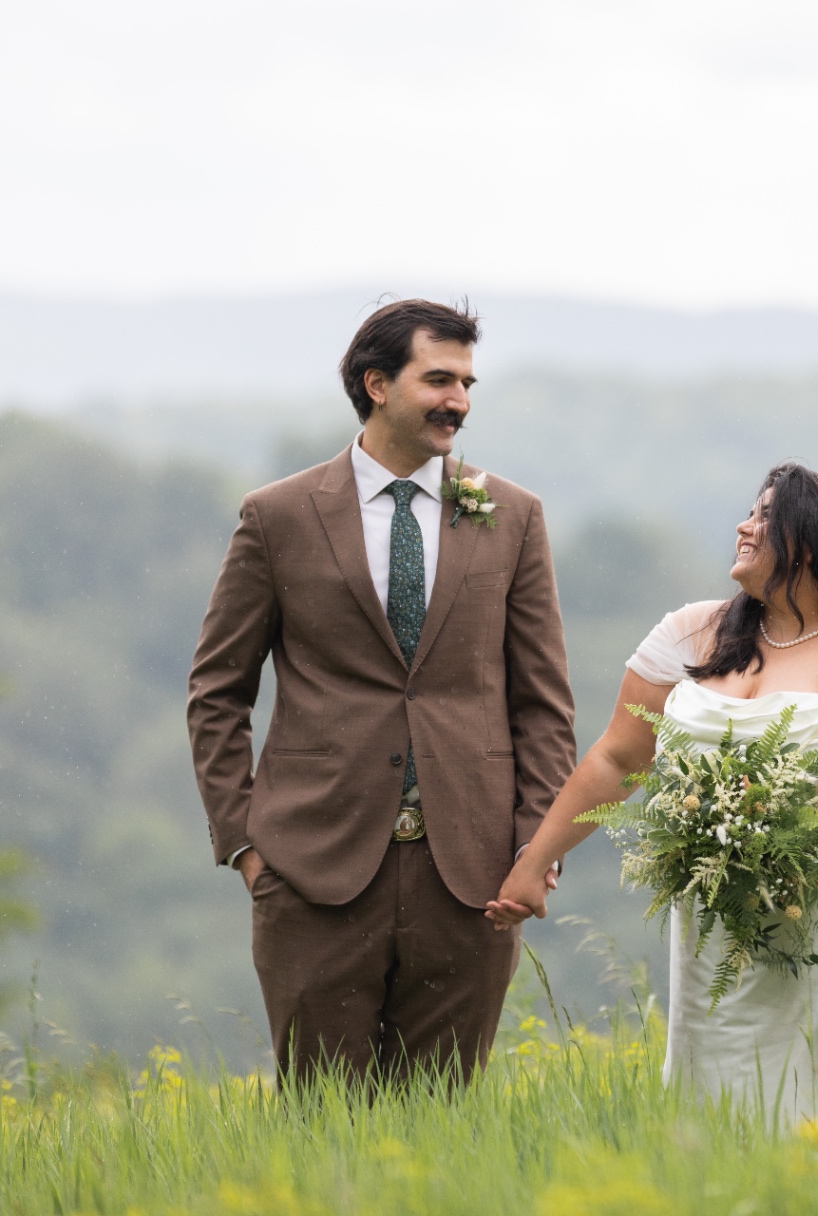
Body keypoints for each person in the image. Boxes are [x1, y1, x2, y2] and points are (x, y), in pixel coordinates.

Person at [487, 462, 818, 1139]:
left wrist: (784, 878)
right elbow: (618, 757)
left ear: (812, 539)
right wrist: (536, 861)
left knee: (814, 1091)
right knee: (715, 1081)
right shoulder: (693, 633)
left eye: (765, 516)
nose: (745, 525)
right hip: (715, 912)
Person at [186, 299, 575, 1085]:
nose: (459, 400)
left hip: (471, 877)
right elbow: (218, 691)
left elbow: (544, 702)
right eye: (439, 379)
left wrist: (538, 842)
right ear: (376, 383)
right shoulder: (278, 517)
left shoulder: (514, 516)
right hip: (313, 869)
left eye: (467, 382)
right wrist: (247, 844)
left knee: (436, 1126)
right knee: (321, 1117)